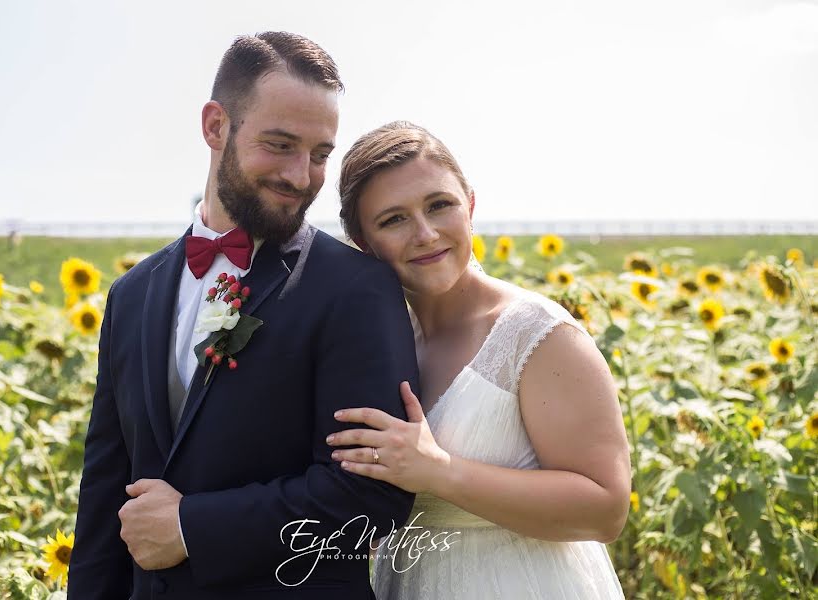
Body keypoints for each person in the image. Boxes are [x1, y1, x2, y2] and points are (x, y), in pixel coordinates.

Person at [68, 34, 419, 599]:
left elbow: (371, 497)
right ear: (215, 127)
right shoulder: (130, 295)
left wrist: (193, 527)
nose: (301, 176)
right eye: (279, 145)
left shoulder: (357, 289)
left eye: (320, 154)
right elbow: (105, 493)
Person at [327, 121, 631, 598]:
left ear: (469, 205)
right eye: (394, 219)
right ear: (363, 243)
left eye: (439, 205)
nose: (426, 234)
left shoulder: (538, 334)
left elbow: (605, 509)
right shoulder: (382, 342)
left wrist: (441, 472)